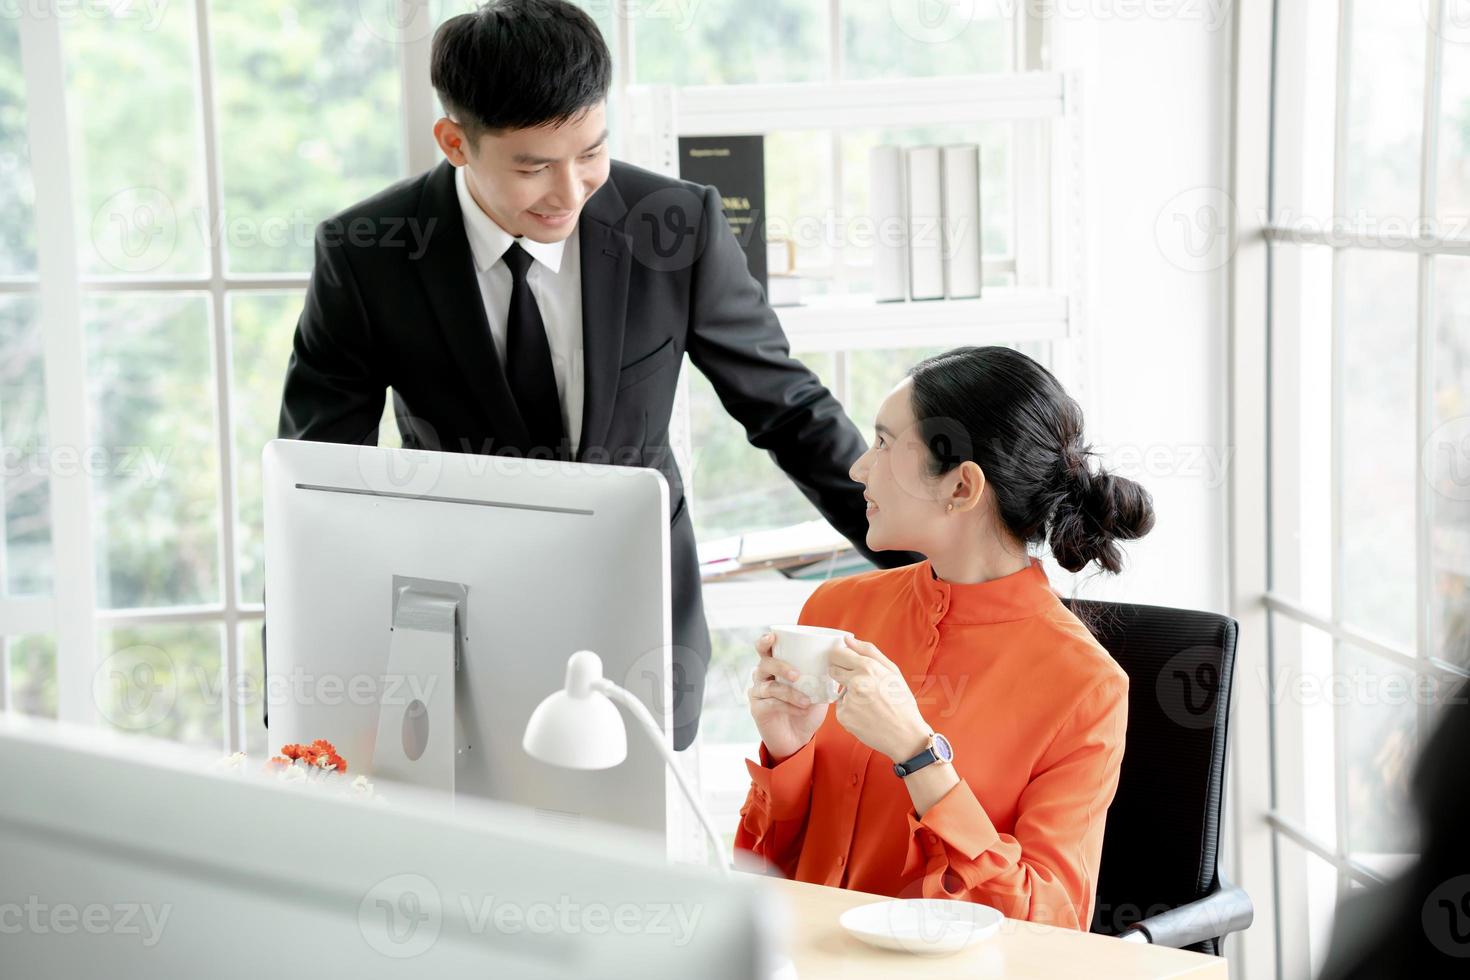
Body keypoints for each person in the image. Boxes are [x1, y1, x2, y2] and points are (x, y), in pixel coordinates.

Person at [273, 0, 914, 750]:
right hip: (455, 630)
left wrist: (935, 568)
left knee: (637, 854)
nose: (571, 191)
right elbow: (316, 484)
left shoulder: (677, 224)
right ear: (455, 141)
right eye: (534, 166)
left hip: (642, 621)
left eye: (591, 152)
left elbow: (790, 411)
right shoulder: (366, 254)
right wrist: (298, 706)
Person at [736, 346, 1156, 929]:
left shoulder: (1085, 686)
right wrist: (787, 753)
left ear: (961, 487)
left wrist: (919, 756)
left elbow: (1049, 929)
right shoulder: (836, 610)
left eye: (883, 444)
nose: (858, 469)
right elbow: (760, 878)